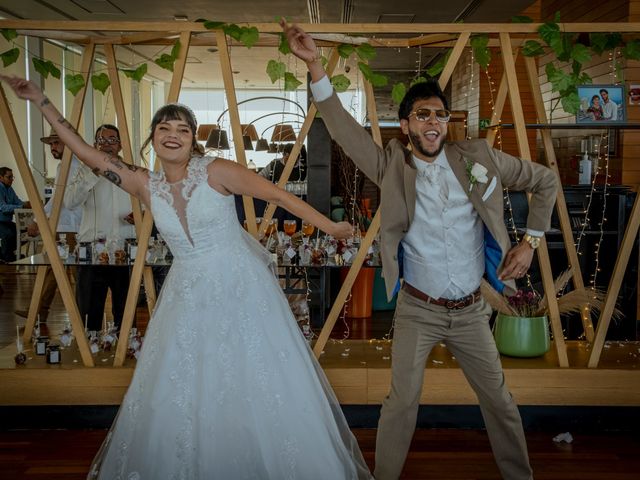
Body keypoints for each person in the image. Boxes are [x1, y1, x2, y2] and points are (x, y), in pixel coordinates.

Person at [1, 73, 372, 480]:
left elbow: (278, 196)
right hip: (186, 292)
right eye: (164, 128)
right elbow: (87, 153)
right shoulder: (147, 184)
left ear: (193, 138)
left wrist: (332, 229)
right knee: (188, 378)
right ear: (154, 138)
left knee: (252, 373)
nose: (173, 135)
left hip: (240, 288)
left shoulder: (217, 171)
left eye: (182, 129)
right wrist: (40, 102)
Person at [284, 20, 558, 480]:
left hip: (472, 311)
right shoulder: (390, 164)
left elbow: (545, 181)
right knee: (401, 402)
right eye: (423, 115)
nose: (433, 122)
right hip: (418, 308)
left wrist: (531, 241)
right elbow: (343, 129)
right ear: (407, 123)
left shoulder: (479, 158)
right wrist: (314, 64)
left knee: (500, 401)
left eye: (439, 115)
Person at [63, 124, 135, 332]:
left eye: (112, 140)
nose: (106, 145)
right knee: (89, 313)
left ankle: (126, 353)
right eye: (101, 140)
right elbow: (70, 202)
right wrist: (93, 173)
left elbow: (146, 204)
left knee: (125, 312)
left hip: (124, 250)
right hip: (92, 252)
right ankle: (88, 356)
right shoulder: (84, 170)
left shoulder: (131, 171)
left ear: (120, 145)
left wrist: (140, 216)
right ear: (94, 145)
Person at [14, 130, 82, 321]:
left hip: (71, 228)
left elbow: (58, 198)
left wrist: (38, 219)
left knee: (68, 270)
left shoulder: (71, 166)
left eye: (56, 143)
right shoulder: (66, 166)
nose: (53, 147)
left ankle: (79, 313)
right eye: (51, 144)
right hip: (66, 226)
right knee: (55, 268)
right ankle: (40, 310)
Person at [0, 166, 30, 262]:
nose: (12, 180)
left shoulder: (9, 189)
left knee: (27, 233)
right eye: (9, 177)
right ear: (0, 177)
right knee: (9, 234)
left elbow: (18, 202)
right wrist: (22, 206)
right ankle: (7, 256)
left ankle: (4, 253)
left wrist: (27, 204)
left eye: (12, 177)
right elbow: (3, 208)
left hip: (6, 222)